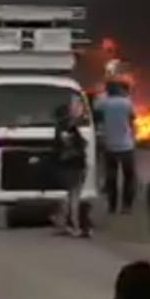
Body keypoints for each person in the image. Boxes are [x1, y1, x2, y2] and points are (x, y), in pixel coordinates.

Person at [94, 80, 137, 214]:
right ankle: (126, 206)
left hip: (109, 145)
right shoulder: (126, 102)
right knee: (129, 177)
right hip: (126, 145)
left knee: (111, 178)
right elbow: (132, 118)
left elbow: (95, 112)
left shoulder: (103, 102)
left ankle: (112, 206)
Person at [53, 95, 92, 237]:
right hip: (76, 165)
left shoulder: (58, 129)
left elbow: (56, 148)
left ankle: (63, 223)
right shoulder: (72, 129)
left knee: (70, 195)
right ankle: (76, 226)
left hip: (65, 166)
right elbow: (83, 144)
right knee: (75, 197)